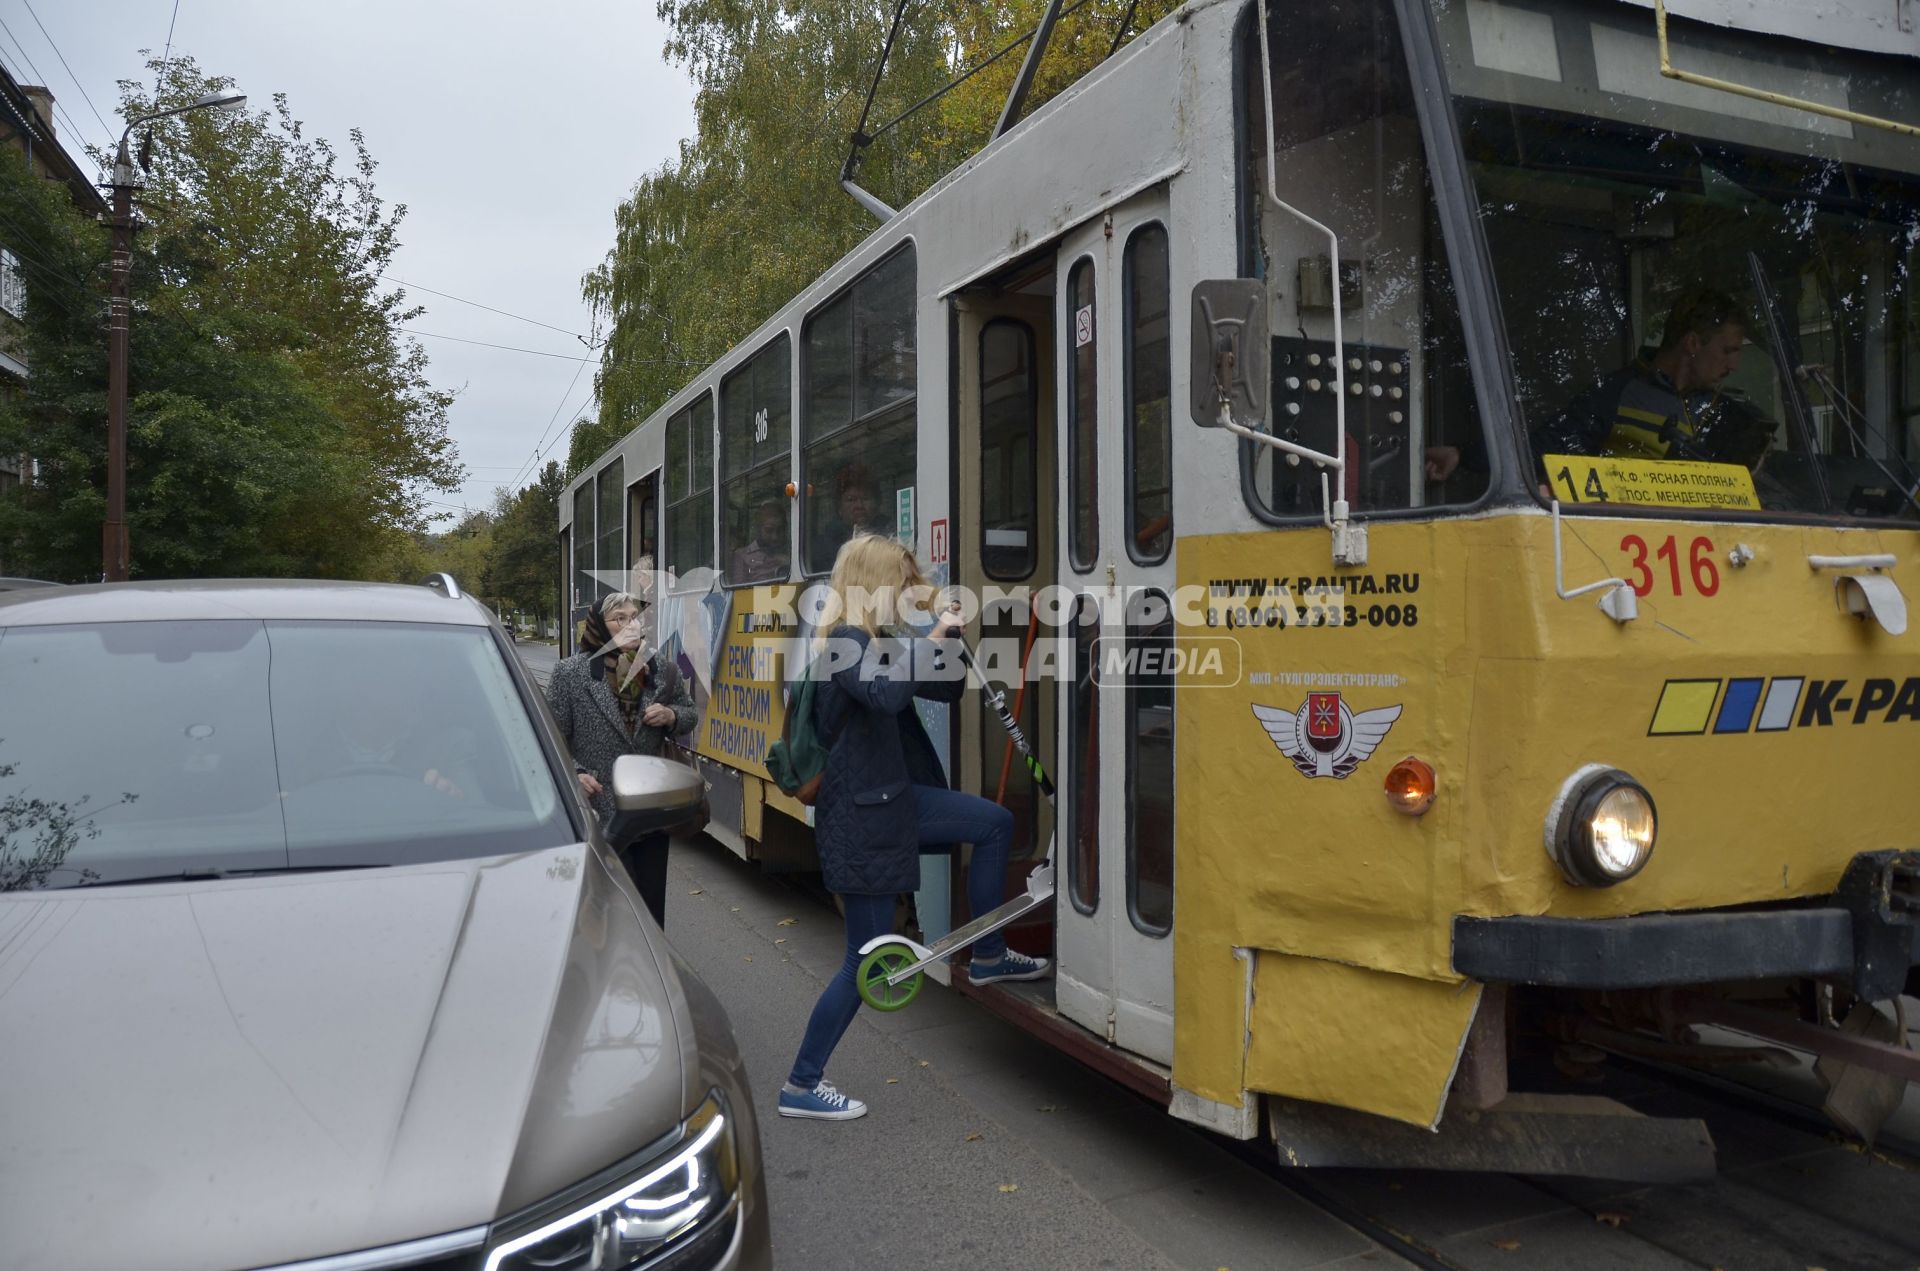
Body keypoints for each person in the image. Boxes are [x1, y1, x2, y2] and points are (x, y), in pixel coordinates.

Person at [778, 534, 1050, 1122]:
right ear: (872, 582)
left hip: (890, 802)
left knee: (994, 823)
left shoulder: (877, 639)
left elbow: (947, 689)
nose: (906, 590)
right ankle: (802, 1083)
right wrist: (925, 639)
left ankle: (988, 952)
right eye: (899, 582)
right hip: (862, 821)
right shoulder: (845, 644)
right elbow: (884, 695)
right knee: (864, 959)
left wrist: (943, 626)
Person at [546, 588, 697, 927]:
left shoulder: (662, 670)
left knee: (650, 909)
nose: (632, 626)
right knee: (607, 911)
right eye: (620, 619)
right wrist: (574, 773)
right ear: (600, 626)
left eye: (636, 619)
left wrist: (671, 715)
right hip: (599, 810)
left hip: (649, 811)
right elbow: (551, 737)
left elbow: (689, 714)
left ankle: (651, 972)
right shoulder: (570, 674)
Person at [1531, 287, 1774, 468]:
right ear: (1692, 343)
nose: (1734, 365)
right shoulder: (1615, 394)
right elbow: (1544, 455)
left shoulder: (1723, 412)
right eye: (1728, 351)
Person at [819, 461, 892, 560]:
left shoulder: (890, 534)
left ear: (877, 503)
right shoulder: (827, 545)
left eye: (866, 498)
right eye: (851, 500)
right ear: (839, 507)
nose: (859, 505)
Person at [730, 500, 790, 582]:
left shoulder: (793, 553)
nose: (774, 537)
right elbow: (738, 591)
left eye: (780, 530)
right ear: (758, 529)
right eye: (769, 530)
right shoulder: (741, 556)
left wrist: (789, 564)